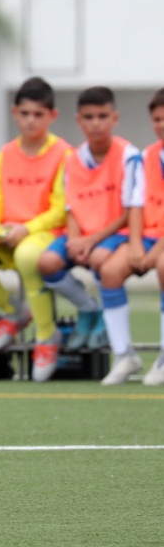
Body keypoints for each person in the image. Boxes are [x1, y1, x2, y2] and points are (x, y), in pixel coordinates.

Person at [0, 77, 71, 376]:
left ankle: (47, 337)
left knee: (27, 256)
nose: (31, 120)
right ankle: (16, 312)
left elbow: (60, 210)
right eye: (25, 113)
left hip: (44, 235)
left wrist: (27, 229)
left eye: (38, 114)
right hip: (8, 236)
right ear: (14, 113)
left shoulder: (63, 154)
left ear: (52, 116)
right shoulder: (4, 154)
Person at [38, 86, 143, 382]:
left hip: (116, 233)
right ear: (78, 120)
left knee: (99, 258)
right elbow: (71, 206)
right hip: (83, 235)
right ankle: (89, 308)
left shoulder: (129, 155)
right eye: (89, 117)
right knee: (46, 263)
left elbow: (130, 210)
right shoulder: (72, 159)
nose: (96, 123)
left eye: (102, 116)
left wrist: (90, 240)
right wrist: (74, 240)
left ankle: (118, 343)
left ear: (115, 118)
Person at [97, 87, 164, 385]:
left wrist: (155, 252)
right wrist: (136, 244)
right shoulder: (147, 156)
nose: (161, 125)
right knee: (110, 270)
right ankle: (125, 355)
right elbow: (135, 204)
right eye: (157, 119)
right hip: (148, 236)